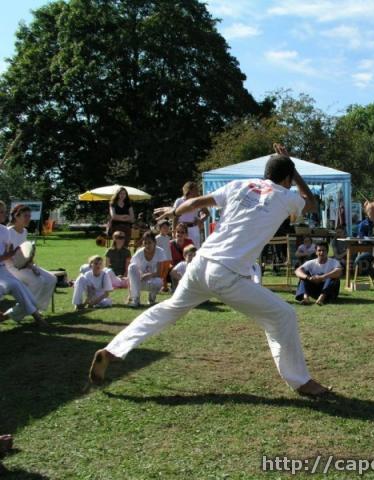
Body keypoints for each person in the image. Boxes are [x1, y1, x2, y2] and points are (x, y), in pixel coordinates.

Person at [89, 148, 330, 397]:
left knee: (168, 309)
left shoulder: (240, 184)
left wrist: (174, 212)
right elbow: (311, 203)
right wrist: (295, 171)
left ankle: (112, 350)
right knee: (284, 316)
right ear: (287, 179)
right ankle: (301, 382)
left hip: (200, 264)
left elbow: (194, 202)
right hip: (226, 273)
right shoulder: (285, 196)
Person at [5, 204, 57, 319]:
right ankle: (16, 313)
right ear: (16, 216)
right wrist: (22, 263)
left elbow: (25, 251)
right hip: (11, 268)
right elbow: (7, 256)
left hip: (24, 265)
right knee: (37, 281)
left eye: (29, 216)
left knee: (51, 278)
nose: (28, 218)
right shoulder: (8, 232)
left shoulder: (24, 231)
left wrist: (30, 263)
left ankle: (36, 308)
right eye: (25, 216)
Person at [0, 201, 47, 327]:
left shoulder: (4, 230)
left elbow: (9, 251)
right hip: (8, 268)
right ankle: (36, 315)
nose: (4, 214)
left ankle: (35, 315)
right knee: (15, 285)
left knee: (19, 286)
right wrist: (10, 256)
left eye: (4, 211)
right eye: (1, 212)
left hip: (3, 269)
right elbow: (7, 255)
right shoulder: (8, 230)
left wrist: (27, 257)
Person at [127, 231, 165, 307]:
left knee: (159, 282)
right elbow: (131, 275)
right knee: (131, 266)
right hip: (140, 281)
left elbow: (159, 273)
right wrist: (129, 295)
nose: (147, 245)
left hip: (153, 280)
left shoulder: (160, 252)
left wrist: (149, 275)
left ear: (154, 242)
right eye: (145, 243)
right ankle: (135, 299)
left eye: (149, 243)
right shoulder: (139, 253)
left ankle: (151, 298)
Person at [173, 181, 202, 248]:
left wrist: (200, 220)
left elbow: (207, 213)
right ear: (189, 190)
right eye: (195, 189)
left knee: (195, 249)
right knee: (182, 249)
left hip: (194, 228)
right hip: (181, 230)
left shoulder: (197, 201)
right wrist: (173, 231)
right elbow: (175, 217)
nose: (197, 191)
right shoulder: (179, 201)